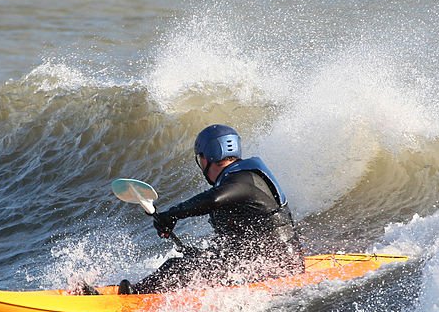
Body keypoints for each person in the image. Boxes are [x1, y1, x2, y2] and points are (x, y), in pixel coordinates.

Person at [121, 124, 304, 295]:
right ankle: (139, 292)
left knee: (177, 267)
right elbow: (238, 240)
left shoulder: (244, 180)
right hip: (273, 262)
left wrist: (173, 214)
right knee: (190, 262)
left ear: (206, 158)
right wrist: (202, 256)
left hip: (278, 268)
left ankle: (132, 297)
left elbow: (213, 199)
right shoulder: (239, 178)